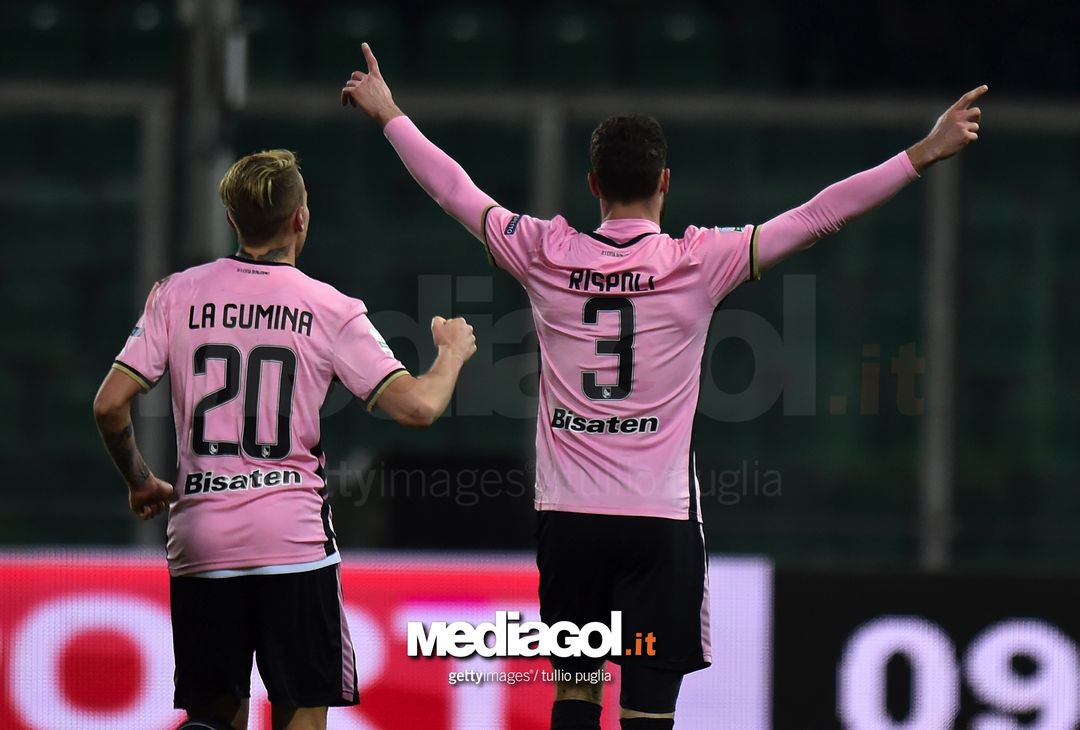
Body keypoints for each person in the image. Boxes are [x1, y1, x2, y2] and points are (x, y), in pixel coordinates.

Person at [342, 43, 984, 730]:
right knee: (649, 712)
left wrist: (391, 114)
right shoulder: (700, 262)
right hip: (659, 523)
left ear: (592, 183)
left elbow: (454, 190)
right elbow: (820, 214)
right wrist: (919, 154)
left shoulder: (542, 252)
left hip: (570, 520)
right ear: (665, 182)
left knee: (576, 697)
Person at [92, 148, 477, 730]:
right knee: (301, 710)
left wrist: (140, 480)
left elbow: (109, 404)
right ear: (301, 217)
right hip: (292, 543)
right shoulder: (330, 308)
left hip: (203, 540)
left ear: (232, 220)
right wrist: (450, 355)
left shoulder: (176, 293)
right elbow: (418, 408)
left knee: (213, 717)